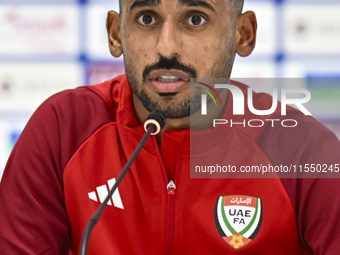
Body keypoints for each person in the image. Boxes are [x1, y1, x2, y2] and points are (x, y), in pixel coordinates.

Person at [0, 0, 340, 254]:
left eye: (195, 19)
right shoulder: (64, 130)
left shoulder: (302, 151)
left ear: (243, 35)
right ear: (116, 34)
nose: (166, 47)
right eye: (146, 18)